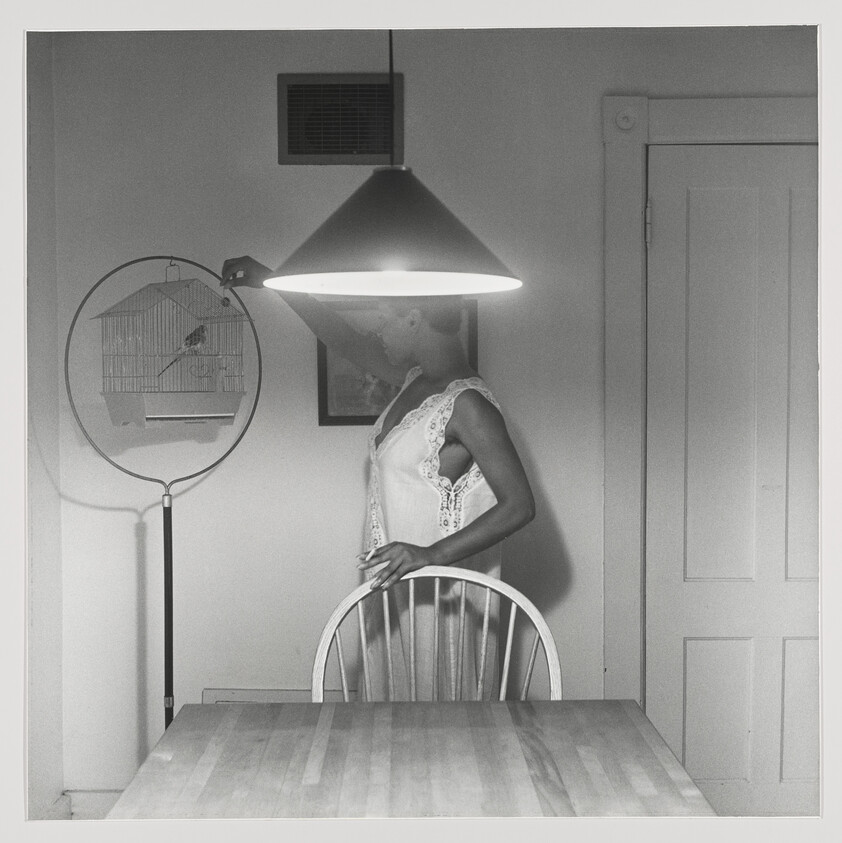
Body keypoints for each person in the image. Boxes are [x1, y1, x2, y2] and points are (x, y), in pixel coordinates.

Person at [221, 256, 535, 699]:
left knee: (437, 725)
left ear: (413, 317)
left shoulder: (469, 404)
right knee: (395, 723)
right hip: (396, 587)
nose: (378, 333)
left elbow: (520, 505)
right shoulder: (417, 382)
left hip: (439, 598)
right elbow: (347, 341)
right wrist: (271, 281)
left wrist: (431, 553)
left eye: (385, 320)